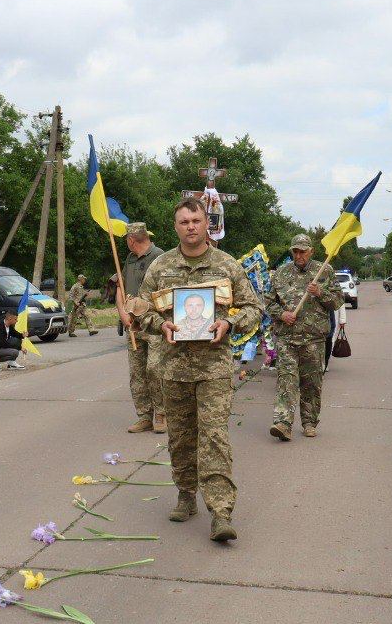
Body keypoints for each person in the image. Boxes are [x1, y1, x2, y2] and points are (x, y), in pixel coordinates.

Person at [138, 198, 261, 541]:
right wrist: (158, 326)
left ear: (207, 224)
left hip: (214, 369)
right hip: (173, 369)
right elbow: (140, 310)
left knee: (214, 438)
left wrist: (229, 323)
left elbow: (252, 307)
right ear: (175, 227)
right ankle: (186, 494)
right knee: (180, 437)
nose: (190, 226)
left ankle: (220, 512)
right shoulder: (160, 267)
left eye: (195, 220)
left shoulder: (227, 265)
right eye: (183, 221)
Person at [266, 234, 343, 440]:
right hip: (286, 338)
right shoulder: (281, 273)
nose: (298, 255)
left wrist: (320, 292)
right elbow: (268, 302)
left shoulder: (324, 271)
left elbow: (337, 301)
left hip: (313, 339)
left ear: (311, 251)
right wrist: (282, 314)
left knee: (311, 383)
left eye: (302, 251)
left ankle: (309, 422)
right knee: (286, 381)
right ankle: (283, 423)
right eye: (295, 251)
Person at [118, 222, 166, 434]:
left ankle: (162, 414)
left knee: (155, 369)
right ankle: (144, 416)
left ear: (131, 240)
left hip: (155, 324)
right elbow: (119, 285)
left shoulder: (160, 257)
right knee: (137, 372)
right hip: (133, 326)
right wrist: (122, 313)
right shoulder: (129, 259)